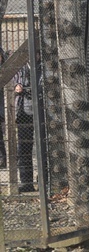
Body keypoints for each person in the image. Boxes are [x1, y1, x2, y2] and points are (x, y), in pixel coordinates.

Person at [14, 56, 40, 193]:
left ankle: (44, 180)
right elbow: (10, 81)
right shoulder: (20, 67)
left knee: (44, 148)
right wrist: (16, 86)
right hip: (24, 113)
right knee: (23, 150)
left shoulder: (44, 65)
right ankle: (26, 182)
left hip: (41, 113)